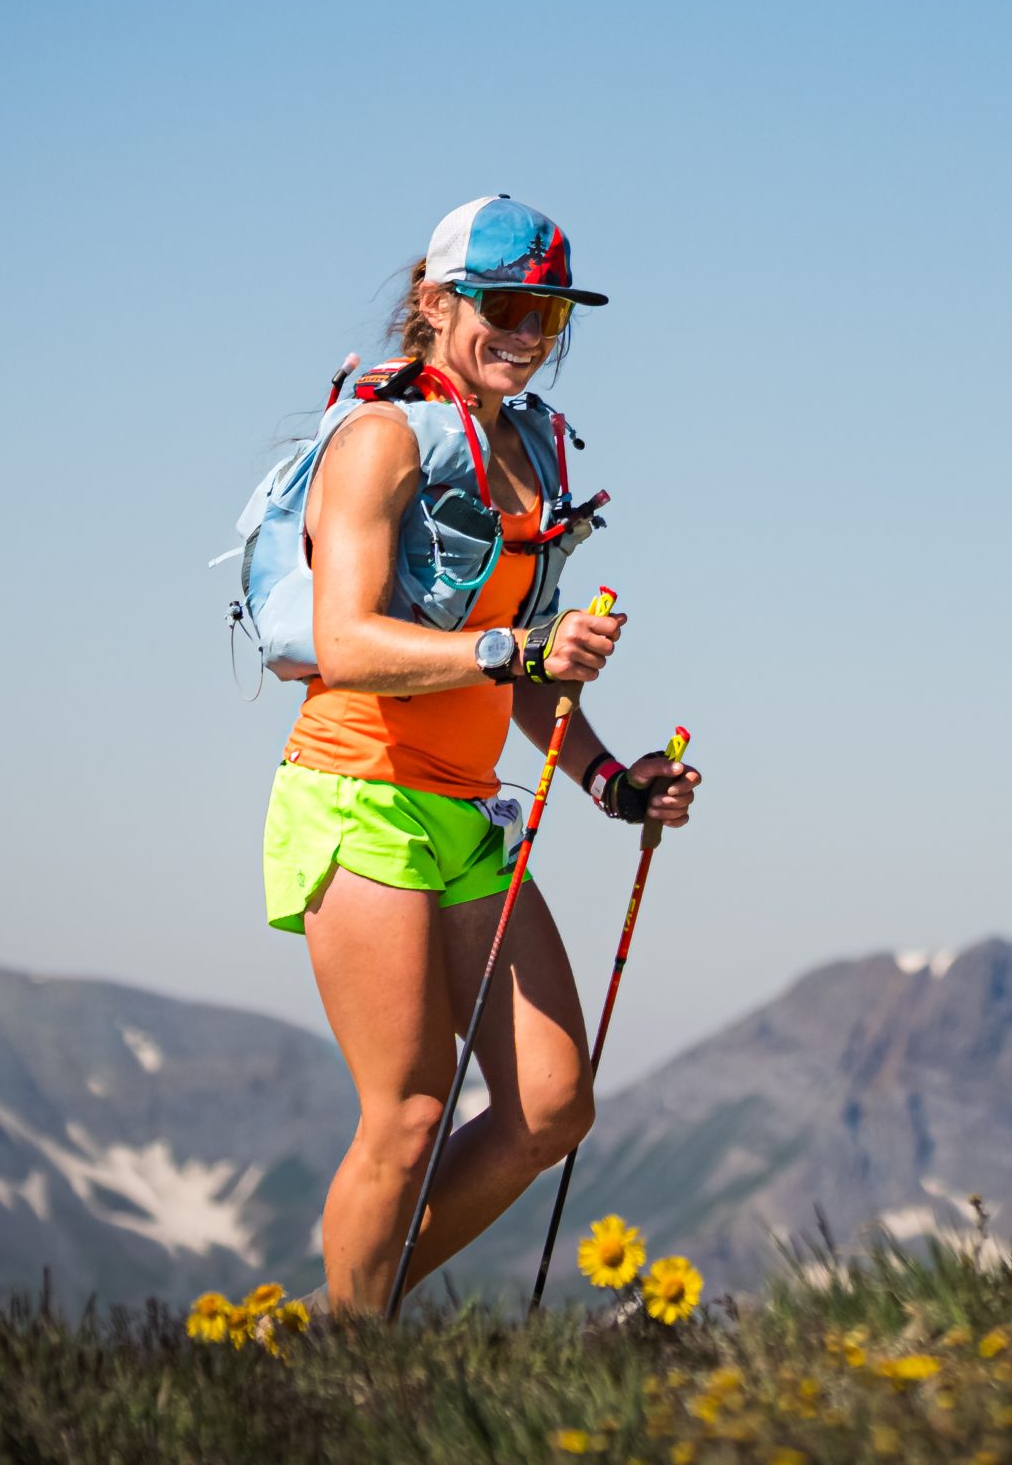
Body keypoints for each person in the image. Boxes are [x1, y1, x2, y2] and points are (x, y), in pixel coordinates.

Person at [257, 194, 701, 1315]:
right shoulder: (382, 437)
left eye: (547, 314)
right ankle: (349, 1374)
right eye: (503, 304)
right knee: (405, 1112)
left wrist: (612, 778)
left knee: (552, 1105)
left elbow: (520, 680)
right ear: (433, 301)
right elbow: (347, 639)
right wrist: (517, 644)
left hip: (467, 809)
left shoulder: (532, 450)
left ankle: (338, 1325)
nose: (526, 329)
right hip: (358, 793)